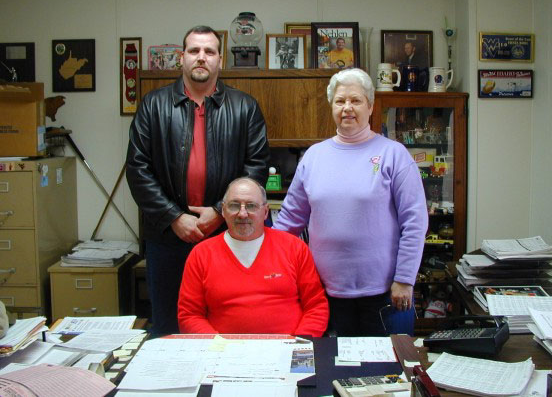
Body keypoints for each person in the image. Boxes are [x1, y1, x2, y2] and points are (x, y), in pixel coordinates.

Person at [126, 25, 270, 335]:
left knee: (226, 321)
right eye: (194, 51)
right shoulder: (153, 105)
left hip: (227, 233)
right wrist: (174, 216)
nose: (201, 57)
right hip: (168, 236)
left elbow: (256, 168)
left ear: (220, 59)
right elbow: (137, 168)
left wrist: (219, 211)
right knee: (168, 324)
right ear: (182, 58)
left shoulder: (245, 107)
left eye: (209, 51)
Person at [273, 68, 428, 336]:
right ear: (331, 106)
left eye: (355, 100)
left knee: (380, 371)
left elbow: (415, 221)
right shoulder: (313, 157)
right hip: (323, 291)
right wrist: (266, 263)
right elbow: (289, 220)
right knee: (330, 368)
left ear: (370, 106)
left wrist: (405, 278)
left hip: (383, 292)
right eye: (340, 101)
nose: (347, 108)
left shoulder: (394, 155)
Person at [178, 178, 329, 336]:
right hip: (223, 354)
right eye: (234, 205)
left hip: (288, 351)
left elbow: (316, 307)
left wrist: (297, 346)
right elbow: (190, 315)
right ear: (223, 210)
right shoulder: (201, 254)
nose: (242, 214)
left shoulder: (294, 248)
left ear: (265, 212)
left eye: (251, 206)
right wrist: (218, 348)